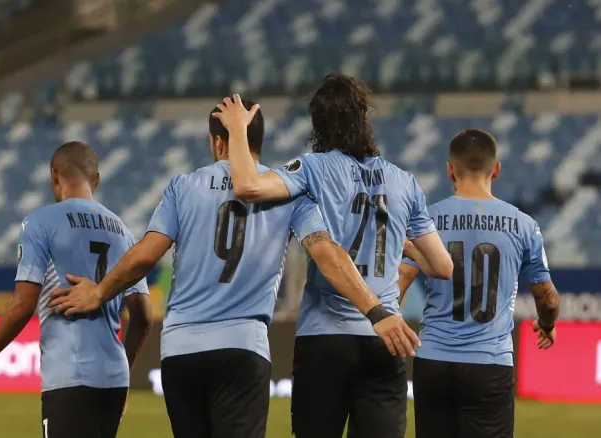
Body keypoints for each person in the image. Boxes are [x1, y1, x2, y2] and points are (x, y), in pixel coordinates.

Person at [47, 99, 411, 438]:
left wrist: (98, 292)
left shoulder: (183, 187)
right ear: (259, 141)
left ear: (216, 142)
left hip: (181, 351)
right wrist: (375, 310)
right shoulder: (290, 193)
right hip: (243, 349)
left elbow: (145, 256)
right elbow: (326, 253)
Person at [210, 76, 454, 438]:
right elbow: (442, 267)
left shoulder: (314, 168)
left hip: (325, 340)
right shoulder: (405, 181)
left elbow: (248, 186)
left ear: (318, 123)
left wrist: (237, 129)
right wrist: (397, 241)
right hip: (384, 340)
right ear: (363, 118)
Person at [0, 141, 153, 438]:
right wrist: (124, 370)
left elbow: (23, 305)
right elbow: (143, 316)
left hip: (69, 376)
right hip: (113, 380)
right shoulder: (124, 232)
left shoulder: (39, 223)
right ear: (96, 180)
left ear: (54, 176)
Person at [397, 129, 561, 438]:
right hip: (490, 363)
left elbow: (399, 283)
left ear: (450, 170)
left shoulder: (427, 221)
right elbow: (547, 297)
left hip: (433, 360)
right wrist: (547, 323)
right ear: (496, 170)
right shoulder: (524, 225)